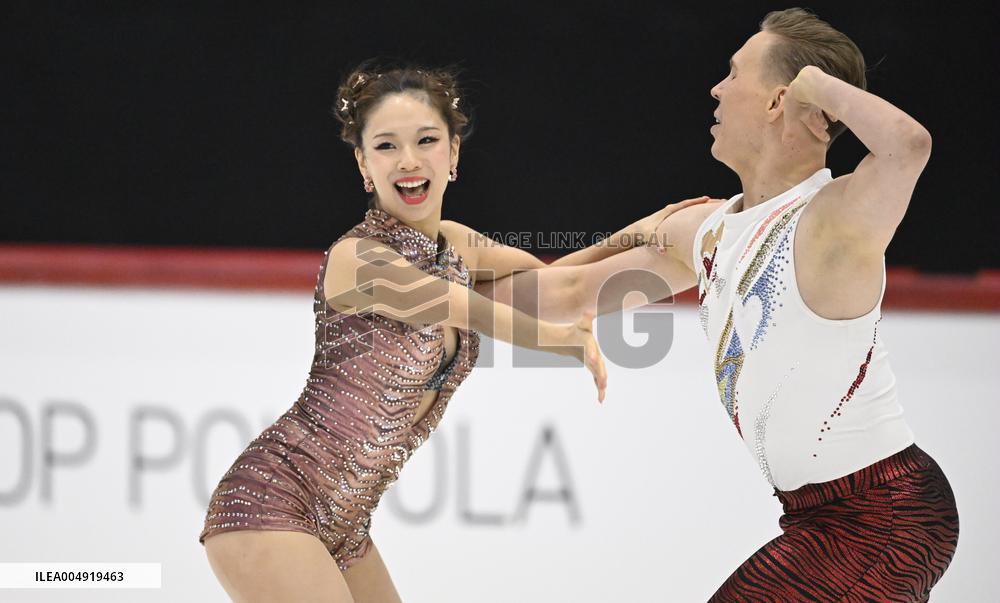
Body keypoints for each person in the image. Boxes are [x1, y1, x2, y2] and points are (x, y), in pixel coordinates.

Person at [485, 9, 959, 601]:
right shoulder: (707, 231)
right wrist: (422, 293)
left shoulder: (832, 220)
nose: (716, 88)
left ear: (780, 100)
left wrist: (817, 86)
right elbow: (562, 294)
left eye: (734, 73)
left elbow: (908, 146)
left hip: (881, 516)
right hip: (817, 517)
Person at [198, 63, 701, 603]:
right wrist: (563, 341)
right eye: (386, 146)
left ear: (454, 152)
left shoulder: (456, 245)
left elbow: (554, 282)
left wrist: (640, 232)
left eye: (426, 140)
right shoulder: (357, 258)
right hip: (271, 503)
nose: (408, 161)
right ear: (363, 163)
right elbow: (455, 304)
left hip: (346, 524)